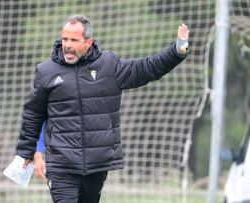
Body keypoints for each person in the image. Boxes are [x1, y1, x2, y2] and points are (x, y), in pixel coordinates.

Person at [16, 14, 189, 203]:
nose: (67, 45)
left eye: (74, 40)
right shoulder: (46, 71)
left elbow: (146, 69)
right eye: (65, 39)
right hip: (61, 165)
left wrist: (176, 52)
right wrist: (26, 151)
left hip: (96, 164)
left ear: (88, 42)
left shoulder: (108, 65)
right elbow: (33, 113)